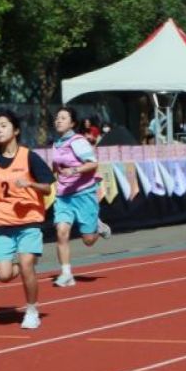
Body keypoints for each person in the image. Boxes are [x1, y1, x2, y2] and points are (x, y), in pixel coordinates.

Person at [0, 110, 55, 329]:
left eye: (3, 126)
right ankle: (23, 265)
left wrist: (30, 184)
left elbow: (47, 188)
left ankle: (31, 310)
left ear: (16, 130)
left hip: (28, 220)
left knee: (26, 264)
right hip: (0, 222)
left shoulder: (29, 157)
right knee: (3, 275)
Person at [49, 106, 111, 288]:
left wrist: (74, 170)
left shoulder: (78, 141)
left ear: (72, 123)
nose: (58, 120)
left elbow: (93, 164)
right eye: (57, 117)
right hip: (63, 196)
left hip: (84, 194)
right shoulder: (56, 143)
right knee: (61, 232)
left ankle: (98, 226)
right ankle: (66, 273)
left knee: (88, 240)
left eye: (63, 118)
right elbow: (56, 166)